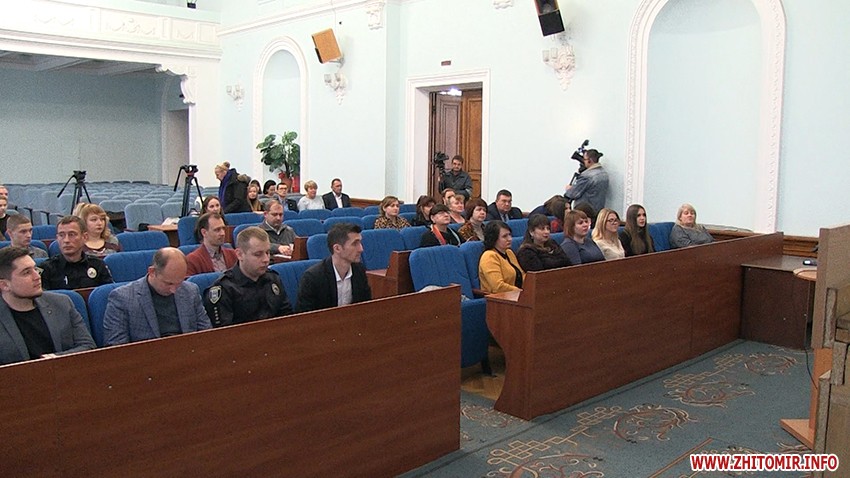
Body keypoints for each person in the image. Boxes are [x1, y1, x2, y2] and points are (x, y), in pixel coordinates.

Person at [0, 247, 96, 365]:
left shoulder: (62, 303)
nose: (37, 276)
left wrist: (55, 359)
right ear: (4, 285)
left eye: (35, 269)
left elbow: (88, 346)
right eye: (26, 273)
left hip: (65, 372)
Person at [102, 248, 211, 345]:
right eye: (168, 283)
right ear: (152, 272)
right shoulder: (123, 298)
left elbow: (207, 335)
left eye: (179, 283)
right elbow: (117, 348)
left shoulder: (190, 291)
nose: (173, 290)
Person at [204, 227, 292, 327]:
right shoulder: (224, 289)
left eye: (267, 253)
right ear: (240, 254)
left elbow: (288, 318)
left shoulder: (273, 279)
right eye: (258, 254)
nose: (266, 259)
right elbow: (225, 333)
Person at [296, 223, 372, 313]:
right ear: (337, 248)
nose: (361, 249)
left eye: (360, 243)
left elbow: (365, 308)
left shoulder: (359, 271)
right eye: (355, 244)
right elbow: (304, 316)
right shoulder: (313, 278)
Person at [40, 216, 113, 290]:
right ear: (57, 238)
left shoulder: (98, 265)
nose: (66, 240)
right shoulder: (46, 269)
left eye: (72, 234)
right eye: (61, 235)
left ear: (84, 237)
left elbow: (107, 292)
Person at [479, 221, 525, 293]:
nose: (510, 239)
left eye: (510, 235)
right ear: (494, 238)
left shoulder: (509, 252)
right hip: (499, 297)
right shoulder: (489, 256)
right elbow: (498, 287)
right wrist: (521, 291)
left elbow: (522, 275)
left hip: (516, 294)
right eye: (504, 236)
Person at [564, 148, 608, 213]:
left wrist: (569, 189)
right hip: (599, 211)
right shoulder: (604, 173)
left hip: (585, 212)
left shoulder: (586, 176)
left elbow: (573, 194)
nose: (583, 161)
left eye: (584, 159)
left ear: (589, 160)